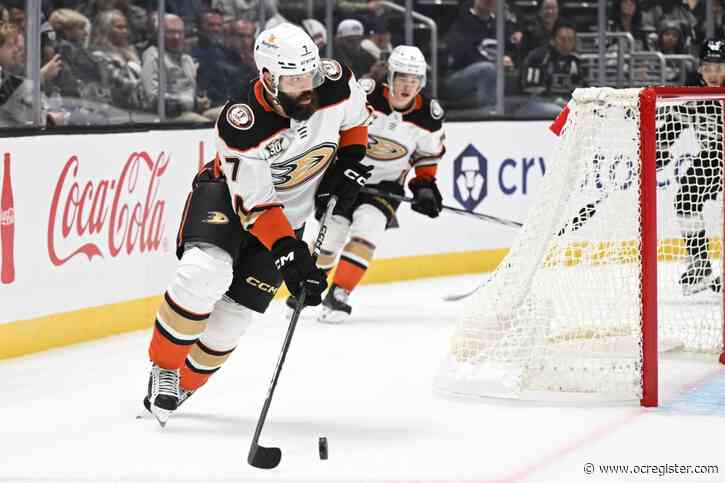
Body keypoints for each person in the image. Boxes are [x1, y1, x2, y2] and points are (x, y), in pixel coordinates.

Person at [141, 22, 372, 425]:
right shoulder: (242, 122)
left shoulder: (335, 82)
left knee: (231, 322)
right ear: (268, 78)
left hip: (291, 216)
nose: (309, 86)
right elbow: (258, 205)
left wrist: (348, 164)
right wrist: (290, 254)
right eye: (296, 79)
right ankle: (164, 366)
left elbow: (355, 122)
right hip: (231, 201)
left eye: (311, 74)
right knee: (204, 273)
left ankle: (186, 383)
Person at [287, 46, 445, 323]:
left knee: (367, 227)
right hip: (347, 176)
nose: (408, 86)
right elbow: (337, 126)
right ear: (390, 76)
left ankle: (339, 294)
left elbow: (427, 156)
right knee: (331, 233)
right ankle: (309, 283)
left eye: (414, 80)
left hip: (385, 186)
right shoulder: (366, 94)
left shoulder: (428, 116)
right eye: (402, 78)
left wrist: (424, 186)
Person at [657, 38, 725, 295]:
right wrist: (661, 146)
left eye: (720, 67)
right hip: (713, 156)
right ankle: (700, 266)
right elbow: (675, 124)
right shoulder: (693, 94)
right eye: (709, 66)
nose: (715, 74)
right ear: (699, 68)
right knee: (686, 200)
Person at [516, 18, 585, 117]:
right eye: (562, 39)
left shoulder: (575, 61)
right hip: (537, 103)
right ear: (552, 40)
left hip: (567, 105)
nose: (566, 44)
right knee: (561, 113)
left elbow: (580, 89)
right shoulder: (538, 57)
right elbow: (531, 89)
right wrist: (557, 101)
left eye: (570, 40)